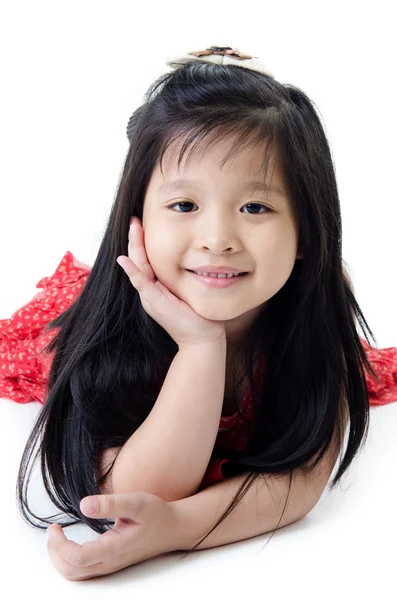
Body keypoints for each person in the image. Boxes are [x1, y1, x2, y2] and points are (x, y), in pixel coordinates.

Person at [8, 45, 396, 579]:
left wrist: (178, 528)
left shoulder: (308, 322)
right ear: (136, 217)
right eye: (184, 205)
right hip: (117, 314)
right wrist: (199, 344)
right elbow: (138, 491)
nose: (217, 240)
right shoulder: (107, 338)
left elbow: (301, 479)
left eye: (255, 207)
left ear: (306, 232)